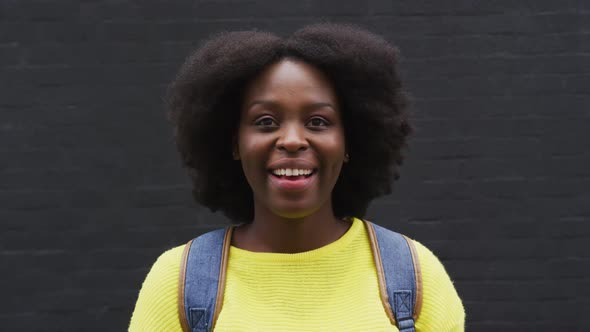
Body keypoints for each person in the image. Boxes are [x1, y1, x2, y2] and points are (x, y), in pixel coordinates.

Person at [129, 23, 465, 331]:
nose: (291, 140)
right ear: (234, 142)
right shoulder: (178, 285)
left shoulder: (414, 278)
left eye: (318, 122)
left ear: (350, 141)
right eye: (266, 122)